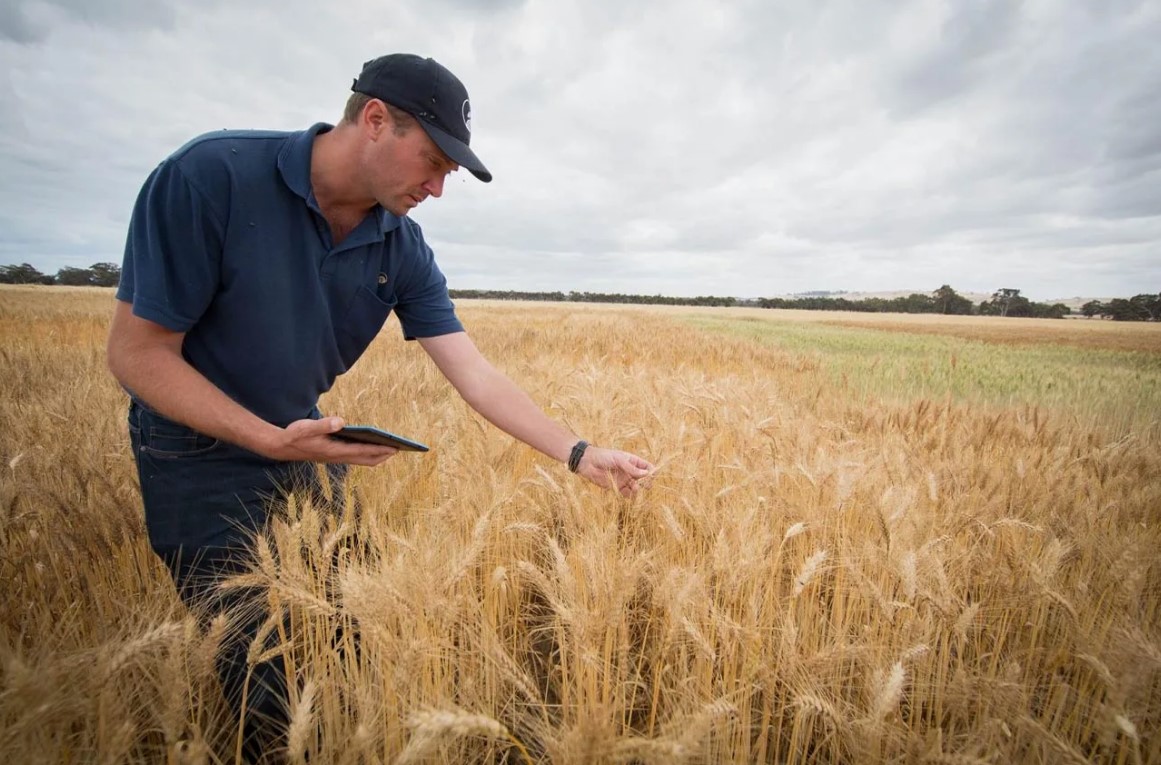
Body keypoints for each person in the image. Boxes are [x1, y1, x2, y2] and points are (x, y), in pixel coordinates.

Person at [106, 53, 653, 760]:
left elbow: (474, 372)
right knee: (267, 682)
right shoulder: (211, 177)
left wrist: (579, 453)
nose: (436, 187)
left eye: (448, 174)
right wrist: (267, 440)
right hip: (194, 450)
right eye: (431, 162)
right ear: (373, 120)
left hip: (305, 442)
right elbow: (138, 355)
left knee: (351, 632)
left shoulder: (401, 244)